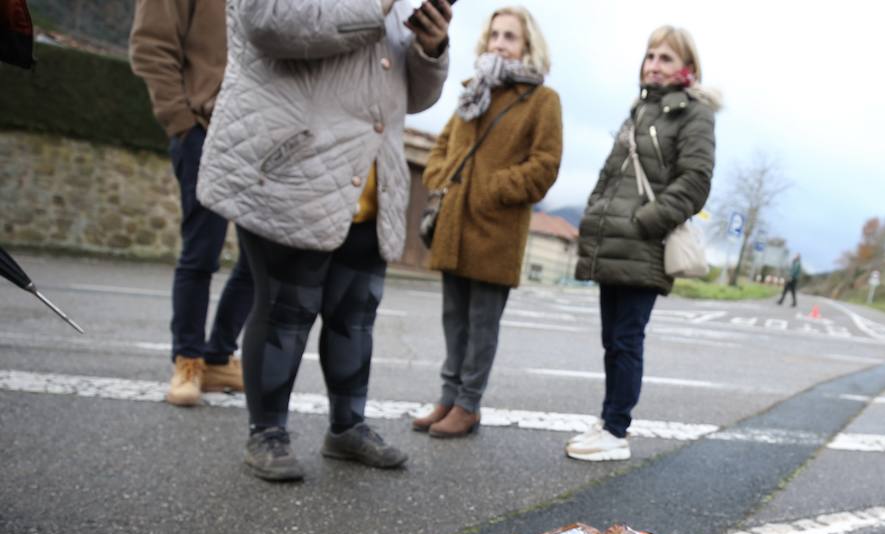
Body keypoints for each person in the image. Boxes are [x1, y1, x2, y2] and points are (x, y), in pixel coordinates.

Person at [197, 0, 451, 481]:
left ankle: (347, 427)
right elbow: (268, 23)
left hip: (368, 180)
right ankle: (267, 432)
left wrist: (431, 47)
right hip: (294, 169)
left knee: (355, 315)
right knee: (284, 310)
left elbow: (413, 95)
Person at [566, 25, 718, 462]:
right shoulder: (639, 111)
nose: (653, 64)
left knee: (627, 339)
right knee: (613, 339)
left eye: (666, 58)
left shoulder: (694, 114)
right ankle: (609, 419)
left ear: (687, 68)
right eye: (650, 56)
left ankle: (616, 431)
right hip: (613, 240)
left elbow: (695, 182)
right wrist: (595, 212)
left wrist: (643, 222)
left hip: (642, 244)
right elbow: (609, 175)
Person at [412, 6, 562, 440]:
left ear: (528, 46)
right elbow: (443, 147)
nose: (499, 42)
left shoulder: (542, 100)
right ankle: (447, 396)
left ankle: (468, 404)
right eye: (494, 34)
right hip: (455, 222)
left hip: (496, 228)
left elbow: (546, 164)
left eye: (510, 36)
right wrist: (441, 178)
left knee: (481, 325)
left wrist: (493, 188)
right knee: (453, 319)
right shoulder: (472, 89)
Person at [130, 0, 255, 407]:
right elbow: (151, 46)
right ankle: (188, 358)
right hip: (204, 128)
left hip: (263, 137)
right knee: (201, 254)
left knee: (262, 260)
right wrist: (181, 123)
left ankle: (218, 356)